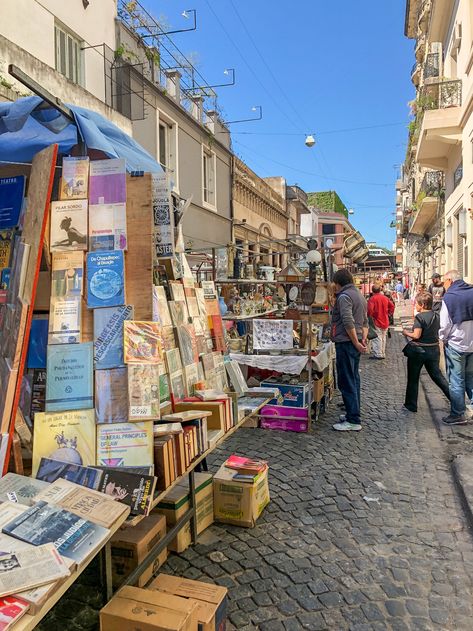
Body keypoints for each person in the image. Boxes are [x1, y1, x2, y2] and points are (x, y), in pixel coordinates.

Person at [330, 268, 368, 432]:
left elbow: (347, 322)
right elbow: (365, 322)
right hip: (355, 340)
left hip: (347, 342)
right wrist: (362, 340)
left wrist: (356, 342)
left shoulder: (344, 296)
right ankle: (353, 412)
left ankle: (353, 419)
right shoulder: (359, 295)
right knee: (354, 378)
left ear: (337, 283)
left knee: (346, 380)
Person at [402, 292, 450, 413]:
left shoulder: (420, 317)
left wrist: (406, 333)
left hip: (419, 351)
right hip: (433, 349)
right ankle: (456, 400)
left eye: (416, 304)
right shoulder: (437, 315)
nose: (415, 306)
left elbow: (416, 335)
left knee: (413, 378)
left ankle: (411, 405)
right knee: (438, 377)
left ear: (422, 305)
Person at [439, 270, 473, 425]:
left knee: (456, 380)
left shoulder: (449, 297)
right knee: (471, 379)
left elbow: (445, 324)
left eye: (444, 282)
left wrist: (442, 338)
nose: (443, 285)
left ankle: (458, 414)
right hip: (472, 343)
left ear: (450, 281)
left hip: (456, 344)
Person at [367, 284, 394, 359]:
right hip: (385, 319)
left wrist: (370, 316)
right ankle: (382, 352)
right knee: (383, 337)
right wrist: (389, 313)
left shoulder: (372, 299)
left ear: (372, 291)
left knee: (377, 337)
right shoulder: (385, 298)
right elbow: (392, 306)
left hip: (376, 319)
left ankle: (378, 354)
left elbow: (370, 310)